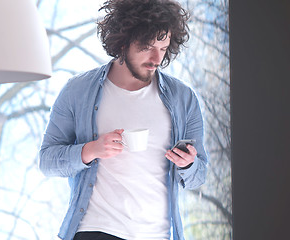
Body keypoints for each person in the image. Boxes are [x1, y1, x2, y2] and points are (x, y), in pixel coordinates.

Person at [39, 0, 208, 239]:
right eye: (147, 46)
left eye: (163, 47)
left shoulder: (184, 98)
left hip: (157, 234)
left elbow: (199, 176)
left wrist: (188, 164)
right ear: (124, 40)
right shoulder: (77, 91)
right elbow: (47, 160)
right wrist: (91, 150)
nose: (156, 58)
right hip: (95, 231)